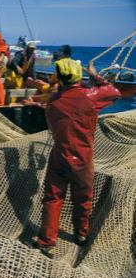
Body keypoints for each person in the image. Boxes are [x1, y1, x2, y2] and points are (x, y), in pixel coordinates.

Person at [32, 58, 121, 258]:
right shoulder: (90, 96)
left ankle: (46, 242)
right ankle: (81, 235)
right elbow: (114, 93)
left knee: (53, 198)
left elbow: (53, 115)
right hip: (82, 159)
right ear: (78, 75)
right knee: (83, 199)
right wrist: (94, 74)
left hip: (59, 156)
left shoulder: (53, 101)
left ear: (60, 77)